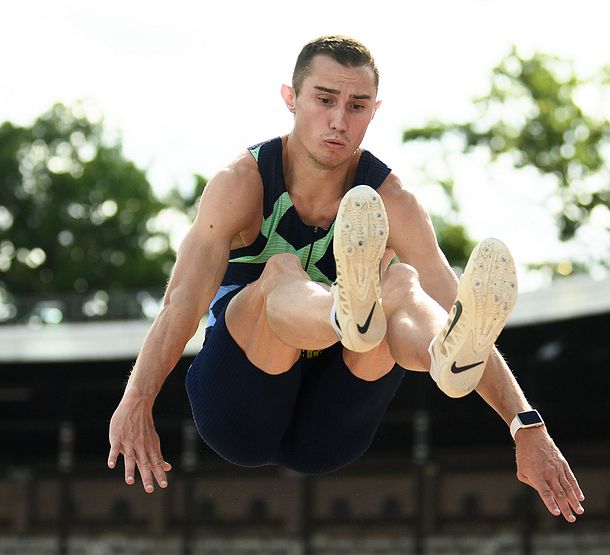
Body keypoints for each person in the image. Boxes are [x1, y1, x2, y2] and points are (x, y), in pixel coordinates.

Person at [107, 35, 585, 523]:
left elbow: (457, 304)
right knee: (282, 271)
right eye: (324, 100)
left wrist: (526, 424)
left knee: (403, 285)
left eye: (356, 106)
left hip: (333, 425)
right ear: (290, 98)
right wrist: (136, 399)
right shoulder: (242, 184)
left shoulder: (393, 200)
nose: (339, 120)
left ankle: (440, 358)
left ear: (374, 111)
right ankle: (344, 312)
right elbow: (181, 304)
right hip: (240, 411)